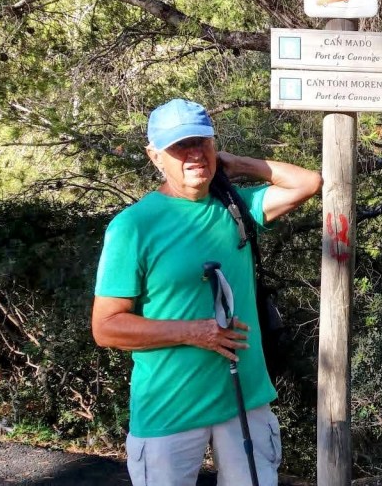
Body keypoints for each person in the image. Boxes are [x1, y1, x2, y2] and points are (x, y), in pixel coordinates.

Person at [91, 98, 322, 486]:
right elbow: (107, 328)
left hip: (245, 402)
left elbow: (309, 182)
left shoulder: (236, 208)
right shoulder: (133, 227)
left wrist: (238, 164)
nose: (194, 153)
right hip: (170, 408)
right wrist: (194, 332)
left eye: (202, 141)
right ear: (155, 157)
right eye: (180, 146)